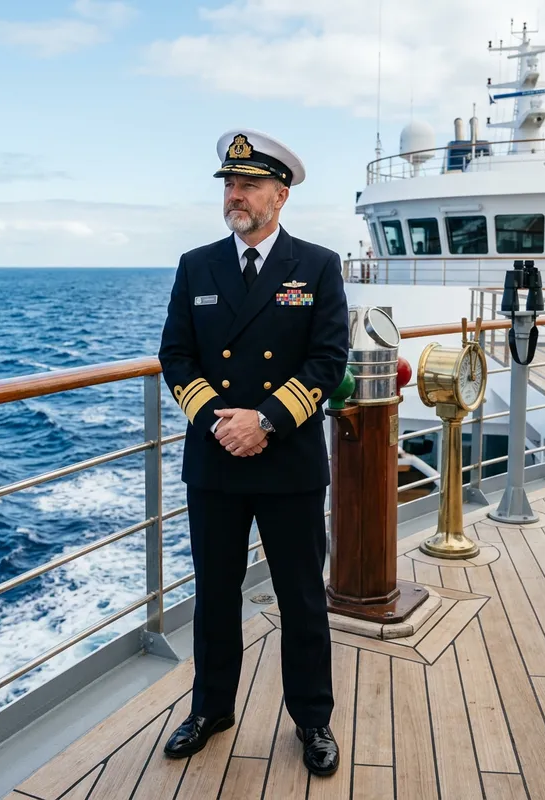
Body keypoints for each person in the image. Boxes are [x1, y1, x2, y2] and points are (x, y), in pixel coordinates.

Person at [158, 128, 349, 776]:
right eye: (229, 184)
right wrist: (222, 422)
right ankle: (211, 708)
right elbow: (176, 357)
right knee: (214, 595)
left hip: (287, 458)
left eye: (248, 184)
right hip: (216, 461)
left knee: (301, 599)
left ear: (281, 194)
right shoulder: (196, 266)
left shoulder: (318, 266)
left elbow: (329, 360)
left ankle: (313, 719)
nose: (235, 195)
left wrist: (265, 421)